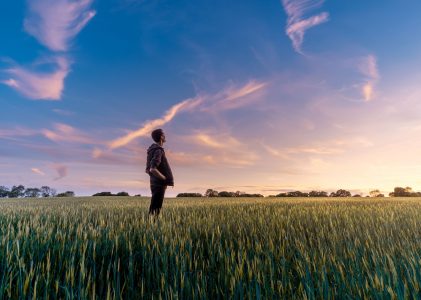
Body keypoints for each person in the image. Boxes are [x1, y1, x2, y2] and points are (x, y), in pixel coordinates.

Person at [145, 128, 174, 216]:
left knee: (154, 207)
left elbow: (147, 169)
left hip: (153, 183)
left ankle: (150, 225)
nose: (165, 136)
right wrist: (164, 178)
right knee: (156, 209)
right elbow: (152, 168)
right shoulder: (158, 150)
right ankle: (151, 227)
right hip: (159, 184)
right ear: (161, 137)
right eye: (164, 134)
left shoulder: (151, 150)